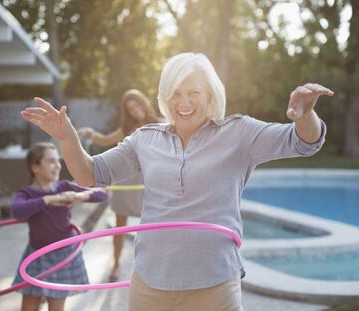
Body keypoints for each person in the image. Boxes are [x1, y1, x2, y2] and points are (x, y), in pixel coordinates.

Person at [21, 52, 333, 311]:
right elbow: (90, 174)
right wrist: (67, 137)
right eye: (175, 93)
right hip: (150, 284)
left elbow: (302, 142)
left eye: (193, 92)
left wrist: (305, 116)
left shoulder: (239, 133)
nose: (183, 102)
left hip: (214, 285)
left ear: (210, 94)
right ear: (164, 97)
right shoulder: (145, 139)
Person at [11, 142, 108, 311]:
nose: (57, 166)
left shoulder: (64, 187)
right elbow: (18, 211)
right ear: (35, 167)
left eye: (58, 161)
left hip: (63, 254)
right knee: (28, 307)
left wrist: (80, 196)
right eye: (51, 161)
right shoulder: (27, 194)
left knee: (56, 307)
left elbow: (102, 193)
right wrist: (49, 199)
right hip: (37, 254)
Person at [77, 89, 161, 282]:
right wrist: (88, 133)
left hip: (149, 182)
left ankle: (153, 266)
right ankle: (115, 265)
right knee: (120, 225)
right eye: (130, 109)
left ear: (144, 103)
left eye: (137, 105)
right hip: (127, 181)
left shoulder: (161, 123)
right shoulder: (127, 129)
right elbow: (105, 140)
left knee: (153, 226)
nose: (135, 110)